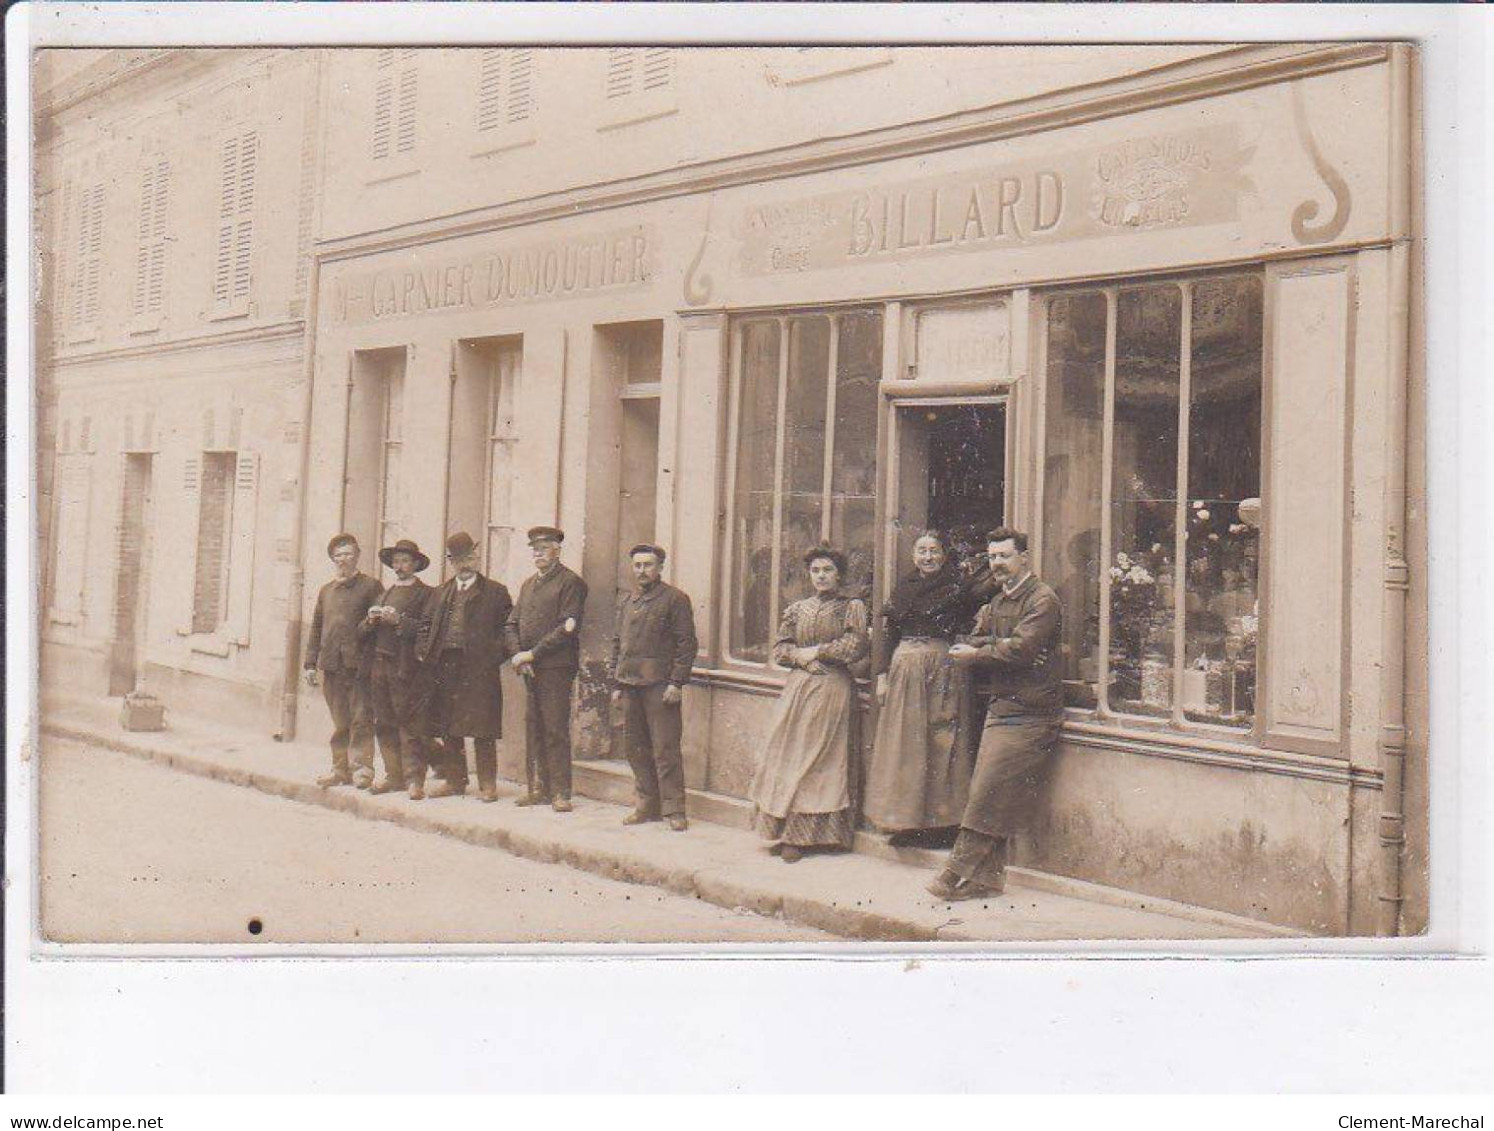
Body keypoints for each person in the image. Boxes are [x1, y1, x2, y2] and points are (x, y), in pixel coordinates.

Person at [928, 527, 1064, 901]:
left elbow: (1021, 649)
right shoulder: (999, 602)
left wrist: (985, 652)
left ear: (1024, 558)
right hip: (1002, 707)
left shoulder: (1043, 600)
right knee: (990, 791)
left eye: (1004, 556)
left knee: (987, 791)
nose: (998, 564)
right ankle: (986, 880)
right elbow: (976, 638)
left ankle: (953, 871)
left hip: (1033, 711)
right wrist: (994, 647)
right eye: (992, 558)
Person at [747, 546, 870, 863]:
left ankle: (808, 837)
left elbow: (855, 646)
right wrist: (800, 659)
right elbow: (780, 649)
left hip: (832, 688)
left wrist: (816, 652)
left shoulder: (851, 607)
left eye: (827, 570)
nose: (821, 576)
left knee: (818, 759)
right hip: (799, 689)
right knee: (787, 756)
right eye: (815, 571)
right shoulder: (797, 609)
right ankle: (786, 830)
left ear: (839, 574)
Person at [864, 530, 986, 848]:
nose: (928, 557)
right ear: (913, 556)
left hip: (943, 666)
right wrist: (881, 675)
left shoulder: (959, 587)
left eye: (934, 551)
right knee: (907, 743)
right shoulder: (904, 587)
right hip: (905, 666)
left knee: (942, 741)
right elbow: (889, 633)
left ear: (944, 555)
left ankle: (942, 825)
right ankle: (906, 823)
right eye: (922, 551)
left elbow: (980, 603)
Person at [415, 532, 514, 802]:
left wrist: (492, 657)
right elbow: (424, 626)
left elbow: (509, 630)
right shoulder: (440, 593)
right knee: (449, 725)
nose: (465, 564)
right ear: (450, 562)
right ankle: (455, 781)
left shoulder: (495, 592)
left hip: (480, 668)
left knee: (483, 727)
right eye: (459, 559)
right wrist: (424, 652)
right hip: (446, 666)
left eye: (469, 557)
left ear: (477, 557)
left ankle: (487, 784)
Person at [610, 544, 698, 832]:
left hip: (660, 687)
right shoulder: (627, 600)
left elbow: (687, 645)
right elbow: (617, 644)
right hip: (630, 685)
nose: (642, 571)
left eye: (648, 565)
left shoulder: (675, 599)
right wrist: (616, 683)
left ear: (660, 568)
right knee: (635, 749)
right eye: (637, 565)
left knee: (665, 749)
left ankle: (674, 809)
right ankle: (646, 805)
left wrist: (676, 682)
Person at [505, 526, 588, 812]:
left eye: (544, 548)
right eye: (535, 549)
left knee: (554, 728)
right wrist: (518, 655)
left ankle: (561, 792)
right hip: (530, 668)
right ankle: (539, 788)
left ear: (557, 550)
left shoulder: (570, 583)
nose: (538, 553)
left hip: (555, 667)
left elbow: (567, 629)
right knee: (534, 727)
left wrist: (532, 654)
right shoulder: (528, 584)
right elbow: (511, 623)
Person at [304, 534, 383, 789]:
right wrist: (309, 664)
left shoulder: (371, 586)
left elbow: (378, 626)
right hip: (332, 665)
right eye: (338, 555)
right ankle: (339, 769)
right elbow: (316, 628)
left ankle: (362, 769)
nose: (343, 560)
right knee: (340, 720)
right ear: (332, 559)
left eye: (347, 554)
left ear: (357, 555)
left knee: (361, 717)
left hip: (359, 666)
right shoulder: (326, 591)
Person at [361, 538, 436, 797]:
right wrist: (370, 620)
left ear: (415, 564)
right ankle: (393, 775)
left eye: (405, 561)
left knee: (410, 723)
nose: (400, 566)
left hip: (406, 667)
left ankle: (415, 779)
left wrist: (399, 621)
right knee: (384, 721)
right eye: (396, 562)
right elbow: (361, 631)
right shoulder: (385, 593)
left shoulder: (427, 594)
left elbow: (429, 631)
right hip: (380, 665)